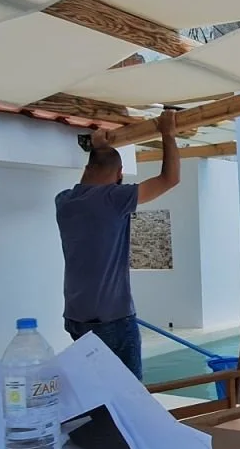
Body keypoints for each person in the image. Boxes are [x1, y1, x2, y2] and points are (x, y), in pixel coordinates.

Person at [54, 110, 181, 379]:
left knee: (94, 388)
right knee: (129, 393)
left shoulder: (63, 201)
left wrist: (99, 149)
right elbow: (170, 179)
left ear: (86, 168)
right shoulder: (113, 199)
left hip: (75, 318)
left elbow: (93, 181)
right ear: (120, 174)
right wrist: (168, 134)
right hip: (111, 319)